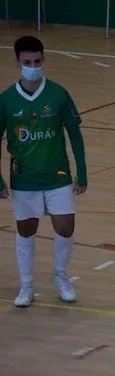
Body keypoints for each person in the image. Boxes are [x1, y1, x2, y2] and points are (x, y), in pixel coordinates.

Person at [0, 36, 87, 307]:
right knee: (26, 230)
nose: (33, 67)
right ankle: (26, 285)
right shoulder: (6, 100)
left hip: (57, 174)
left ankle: (60, 275)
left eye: (37, 61)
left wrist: (82, 171)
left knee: (65, 226)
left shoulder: (58, 94)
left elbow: (75, 134)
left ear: (43, 60)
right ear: (17, 62)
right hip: (24, 178)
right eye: (27, 62)